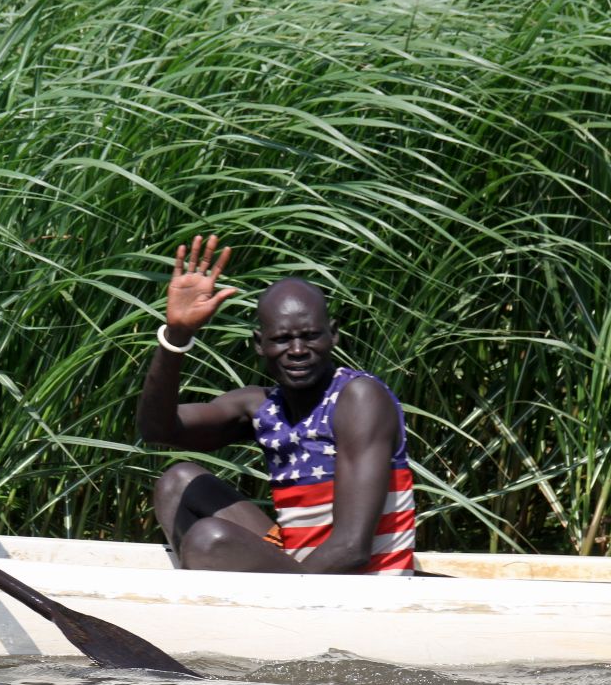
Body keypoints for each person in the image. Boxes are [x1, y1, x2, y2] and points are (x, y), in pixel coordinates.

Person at [136, 234, 415, 575]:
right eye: (282, 339)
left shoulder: (358, 397)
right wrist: (176, 336)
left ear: (334, 335)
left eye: (310, 335)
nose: (297, 350)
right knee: (178, 482)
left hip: (362, 587)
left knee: (209, 540)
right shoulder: (261, 407)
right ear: (260, 344)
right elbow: (156, 429)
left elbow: (351, 548)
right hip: (305, 572)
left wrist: (284, 596)